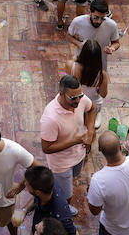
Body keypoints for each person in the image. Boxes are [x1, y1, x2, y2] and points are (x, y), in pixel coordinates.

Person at [40, 75, 96, 215]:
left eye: (80, 95)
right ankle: (64, 210)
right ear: (61, 94)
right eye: (73, 98)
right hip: (61, 163)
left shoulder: (79, 98)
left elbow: (92, 108)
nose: (78, 100)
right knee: (66, 195)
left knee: (74, 176)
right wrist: (75, 141)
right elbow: (46, 148)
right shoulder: (50, 118)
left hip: (79, 154)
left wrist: (89, 131)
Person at [12, 165, 76, 235]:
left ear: (37, 192)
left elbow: (73, 233)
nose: (25, 184)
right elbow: (36, 197)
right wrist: (24, 210)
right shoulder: (47, 184)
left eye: (27, 185)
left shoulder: (61, 215)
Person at [70, 39, 109, 130]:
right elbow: (103, 94)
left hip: (75, 103)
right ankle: (94, 114)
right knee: (92, 126)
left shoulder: (72, 66)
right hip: (93, 104)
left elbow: (68, 85)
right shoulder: (102, 74)